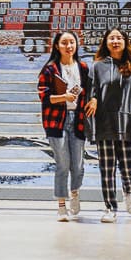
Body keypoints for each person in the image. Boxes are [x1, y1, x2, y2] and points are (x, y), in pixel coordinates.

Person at [90, 27, 131, 222]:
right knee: (107, 169)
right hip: (104, 124)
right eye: (111, 38)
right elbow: (91, 89)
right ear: (106, 42)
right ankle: (110, 208)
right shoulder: (97, 66)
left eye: (119, 38)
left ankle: (128, 190)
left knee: (128, 166)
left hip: (128, 123)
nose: (115, 41)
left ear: (125, 42)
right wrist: (92, 99)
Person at [37, 31, 95, 221]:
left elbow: (92, 90)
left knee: (78, 164)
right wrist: (64, 97)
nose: (69, 46)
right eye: (64, 43)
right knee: (63, 164)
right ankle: (61, 205)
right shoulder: (50, 69)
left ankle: (75, 192)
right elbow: (44, 97)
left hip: (78, 120)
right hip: (56, 121)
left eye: (72, 42)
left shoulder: (83, 67)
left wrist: (94, 100)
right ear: (57, 46)